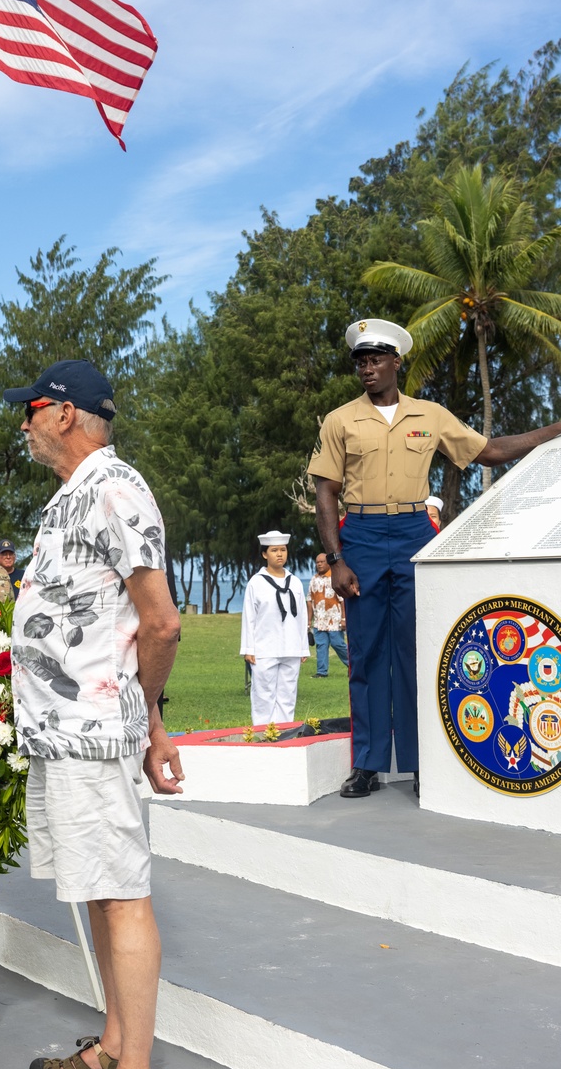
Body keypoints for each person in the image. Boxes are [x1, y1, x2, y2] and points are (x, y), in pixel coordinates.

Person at [3, 360, 182, 1069]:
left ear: (68, 413)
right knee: (94, 888)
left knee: (119, 891)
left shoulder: (116, 488)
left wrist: (152, 722)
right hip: (60, 731)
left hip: (95, 729)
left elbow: (162, 622)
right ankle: (112, 1041)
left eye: (32, 409)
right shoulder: (71, 497)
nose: (23, 423)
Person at [311, 317, 561, 800]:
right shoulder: (340, 420)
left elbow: (488, 451)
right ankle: (367, 765)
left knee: (413, 654)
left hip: (412, 533)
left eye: (377, 359)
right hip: (359, 533)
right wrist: (335, 558)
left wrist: (553, 429)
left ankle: (423, 763)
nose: (368, 368)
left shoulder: (429, 415)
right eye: (361, 361)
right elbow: (326, 492)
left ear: (396, 363)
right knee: (365, 654)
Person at [240, 531, 308, 724]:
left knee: (288, 693)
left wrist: (303, 647)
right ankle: (263, 732)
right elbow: (249, 617)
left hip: (291, 646)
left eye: (283, 550)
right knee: (263, 693)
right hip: (264, 647)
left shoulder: (294, 582)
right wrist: (249, 649)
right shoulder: (256, 583)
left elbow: (302, 615)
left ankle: (285, 731)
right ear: (264, 554)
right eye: (274, 550)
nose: (280, 554)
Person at [307, 552, 349, 679]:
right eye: (317, 562)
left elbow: (342, 600)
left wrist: (343, 619)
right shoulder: (314, 579)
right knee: (321, 645)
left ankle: (354, 665)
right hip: (319, 620)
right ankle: (321, 672)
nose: (319, 564)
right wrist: (309, 620)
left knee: (338, 644)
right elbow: (310, 600)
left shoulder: (335, 578)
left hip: (334, 619)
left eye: (322, 562)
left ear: (328, 563)